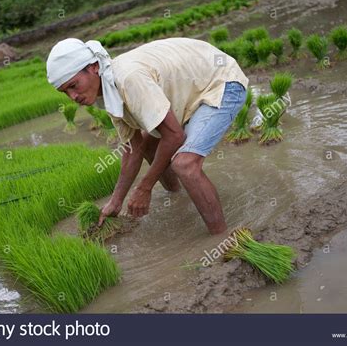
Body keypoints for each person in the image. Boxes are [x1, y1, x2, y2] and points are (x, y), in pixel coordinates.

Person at [46, 37, 248, 234]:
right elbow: (134, 148)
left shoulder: (128, 79)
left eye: (73, 85)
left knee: (184, 164)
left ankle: (222, 239)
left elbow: (175, 136)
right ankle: (178, 197)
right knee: (150, 145)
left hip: (221, 82)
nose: (73, 97)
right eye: (65, 92)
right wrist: (116, 202)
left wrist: (144, 187)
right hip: (192, 89)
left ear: (94, 67)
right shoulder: (107, 88)